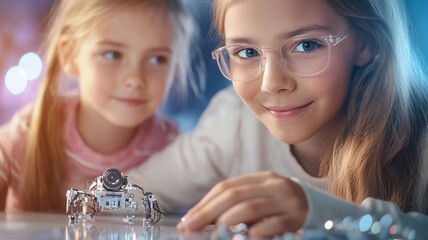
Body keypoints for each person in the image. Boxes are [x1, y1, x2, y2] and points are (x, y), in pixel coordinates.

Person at [127, 0, 428, 238]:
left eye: (306, 45)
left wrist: (323, 214)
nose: (272, 83)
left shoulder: (421, 138)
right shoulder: (233, 121)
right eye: (246, 52)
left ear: (366, 42)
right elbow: (129, 193)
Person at [0, 0, 200, 213]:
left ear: (175, 69)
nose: (135, 78)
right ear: (70, 56)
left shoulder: (174, 152)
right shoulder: (27, 133)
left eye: (157, 59)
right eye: (112, 54)